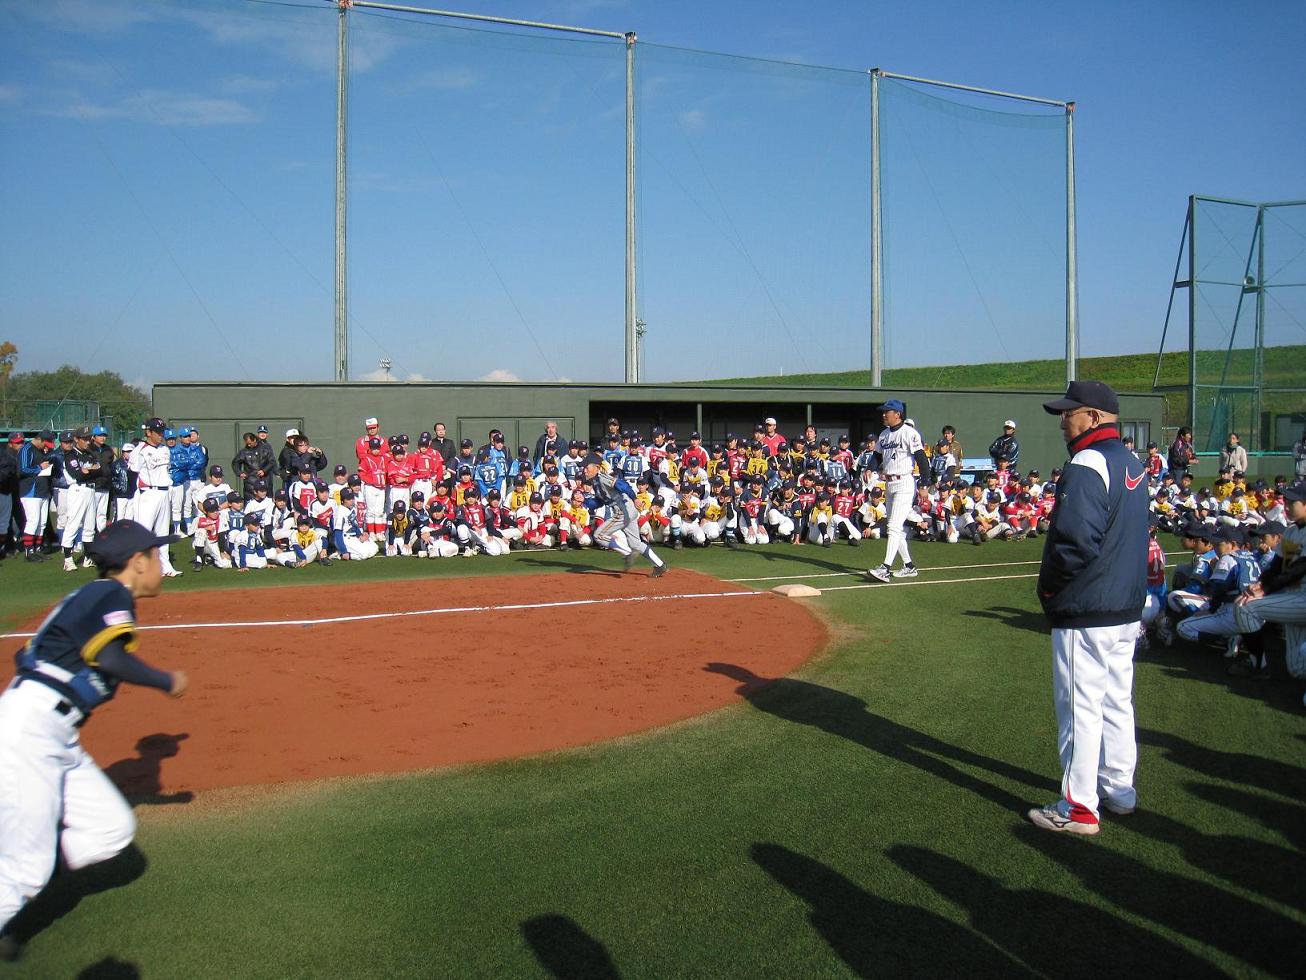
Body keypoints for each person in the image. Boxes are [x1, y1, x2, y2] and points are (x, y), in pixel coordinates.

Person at [0, 519, 188, 961]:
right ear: (137, 563)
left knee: (111, 829)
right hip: (32, 730)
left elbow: (25, 654)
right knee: (27, 868)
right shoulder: (108, 594)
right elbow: (107, 656)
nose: (162, 563)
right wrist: (165, 680)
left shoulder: (94, 597)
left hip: (51, 733)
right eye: (157, 555)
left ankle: (29, 863)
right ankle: (23, 870)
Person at [1028, 380, 1148, 836]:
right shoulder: (1131, 461)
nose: (1063, 419)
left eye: (1069, 412)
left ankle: (1079, 808)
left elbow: (1074, 542)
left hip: (1089, 606)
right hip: (1125, 608)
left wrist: (1052, 593)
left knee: (1081, 708)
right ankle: (1119, 791)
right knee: (1117, 701)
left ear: (1094, 416)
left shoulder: (1088, 461)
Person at [1233, 481, 1306, 687]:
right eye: (1287, 501)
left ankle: (1258, 666)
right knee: (1297, 670)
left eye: (1293, 502)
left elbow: (1298, 570)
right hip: (1296, 597)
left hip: (1302, 597)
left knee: (1245, 607)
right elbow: (1281, 565)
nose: (1287, 505)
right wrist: (1259, 584)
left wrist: (1265, 589)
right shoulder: (1293, 531)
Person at [866, 399, 933, 582]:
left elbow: (922, 459)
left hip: (904, 482)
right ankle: (909, 566)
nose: (883, 414)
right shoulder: (884, 435)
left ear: (897, 414)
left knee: (893, 527)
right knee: (895, 527)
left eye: (887, 411)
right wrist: (869, 468)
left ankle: (885, 568)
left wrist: (924, 485)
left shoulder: (909, 433)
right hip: (889, 483)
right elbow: (877, 456)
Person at [581, 452, 667, 575]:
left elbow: (622, 484)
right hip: (627, 511)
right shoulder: (595, 482)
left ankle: (627, 553)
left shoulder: (602, 477)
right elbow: (600, 502)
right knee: (635, 543)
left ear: (597, 468)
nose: (584, 470)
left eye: (587, 467)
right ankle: (660, 565)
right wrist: (584, 501)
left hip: (623, 511)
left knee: (599, 535)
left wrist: (634, 498)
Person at [127, 419, 182, 577]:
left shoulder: (165, 449)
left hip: (164, 492)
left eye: (162, 431)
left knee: (163, 532)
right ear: (148, 432)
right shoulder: (140, 449)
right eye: (157, 432)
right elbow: (132, 472)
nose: (161, 435)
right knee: (143, 532)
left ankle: (165, 567)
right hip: (147, 493)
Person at [17, 431, 55, 562]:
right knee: (33, 520)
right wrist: (39, 467)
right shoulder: (26, 449)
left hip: (43, 490)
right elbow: (22, 469)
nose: (47, 446)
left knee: (42, 522)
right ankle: (29, 551)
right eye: (46, 443)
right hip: (30, 491)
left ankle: (38, 549)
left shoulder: (42, 450)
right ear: (39, 439)